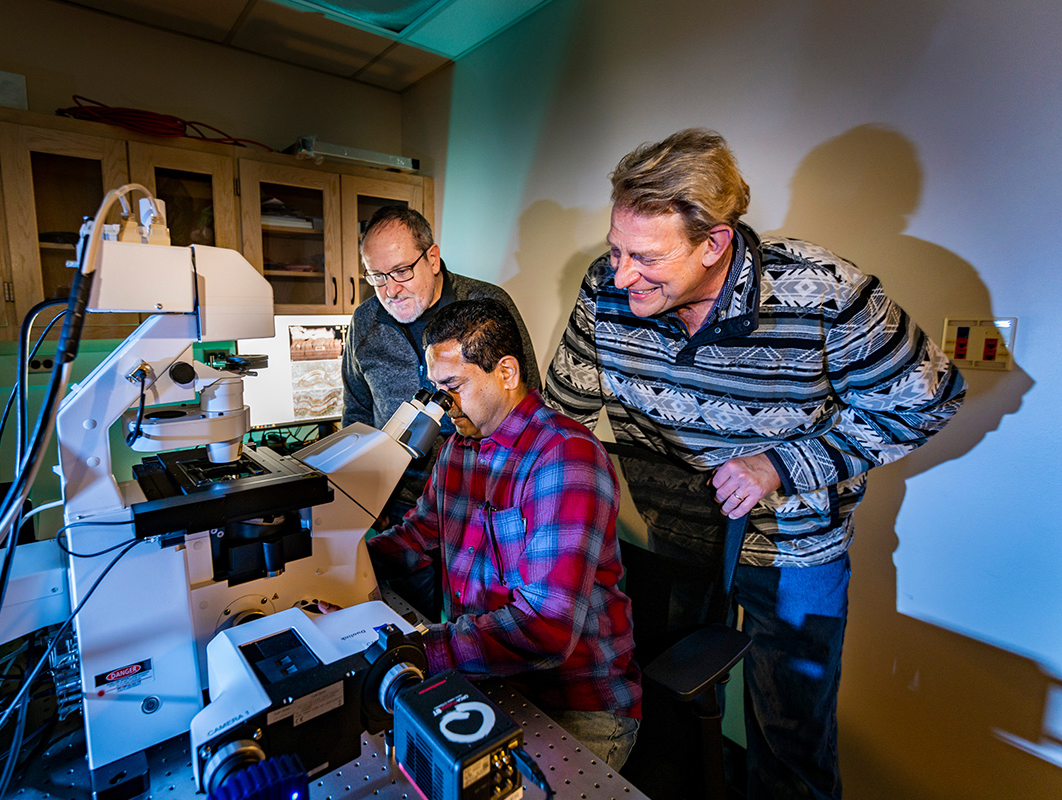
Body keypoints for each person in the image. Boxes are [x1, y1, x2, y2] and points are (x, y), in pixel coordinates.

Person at [544, 129, 966, 799]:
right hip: (679, 536)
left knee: (788, 737)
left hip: (794, 550)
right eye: (614, 248)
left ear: (714, 243)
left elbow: (930, 400)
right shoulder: (607, 289)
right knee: (671, 707)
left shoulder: (823, 292)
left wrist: (781, 463)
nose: (620, 275)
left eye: (645, 257)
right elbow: (558, 412)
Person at [365, 298, 641, 770]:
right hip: (486, 678)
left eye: (453, 386)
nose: (441, 405)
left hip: (571, 702)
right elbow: (416, 536)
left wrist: (424, 650)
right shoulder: (457, 448)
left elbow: (548, 628)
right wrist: (332, 567)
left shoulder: (564, 456)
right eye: (435, 388)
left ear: (507, 372)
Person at [343, 206, 539, 618]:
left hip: (480, 500)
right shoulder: (364, 323)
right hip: (401, 504)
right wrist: (361, 504)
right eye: (376, 277)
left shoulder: (485, 305)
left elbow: (525, 398)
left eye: (400, 271)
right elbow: (357, 410)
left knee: (481, 616)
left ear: (432, 258)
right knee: (413, 617)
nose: (390, 289)